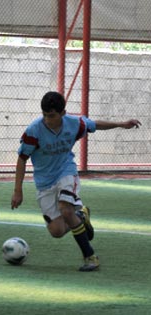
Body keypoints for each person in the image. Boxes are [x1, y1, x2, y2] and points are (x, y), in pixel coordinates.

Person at [11, 91, 141, 271]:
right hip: (44, 182)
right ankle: (82, 215)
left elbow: (95, 124)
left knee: (66, 210)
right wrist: (18, 190)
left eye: (52, 116)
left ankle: (90, 257)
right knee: (56, 231)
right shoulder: (34, 131)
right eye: (45, 115)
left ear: (63, 113)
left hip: (66, 172)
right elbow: (22, 158)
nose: (48, 119)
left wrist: (121, 124)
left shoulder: (75, 124)